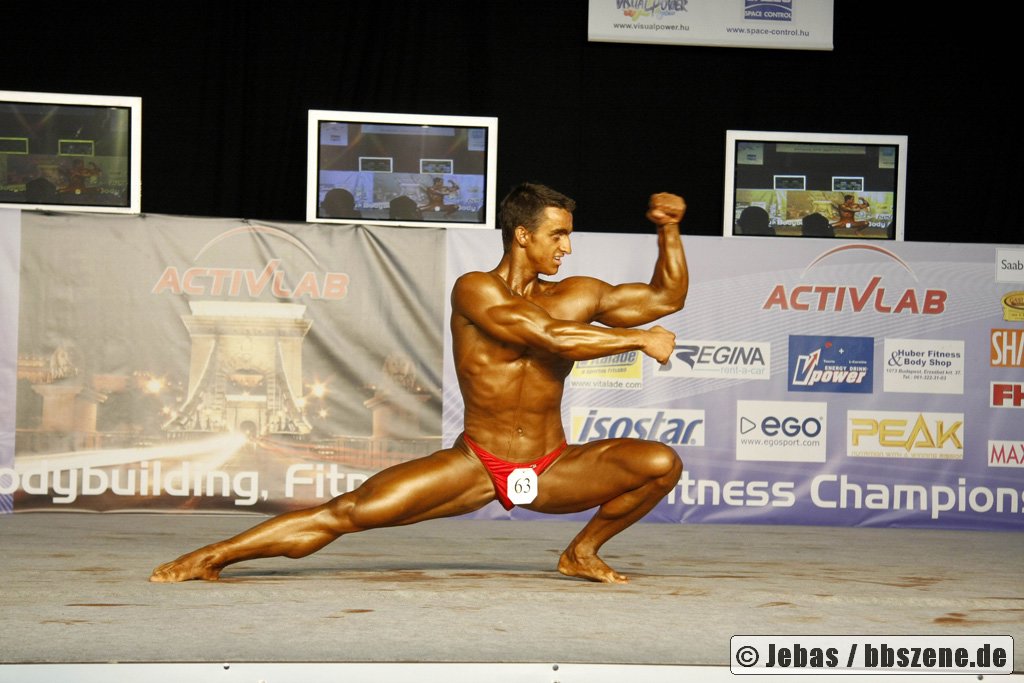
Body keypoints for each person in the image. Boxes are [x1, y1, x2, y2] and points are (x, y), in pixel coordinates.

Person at [150, 182, 688, 585]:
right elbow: (546, 335)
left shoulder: (579, 293)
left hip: (551, 466)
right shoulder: (475, 289)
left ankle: (580, 553)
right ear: (523, 235)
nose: (566, 247)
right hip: (476, 464)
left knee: (660, 463)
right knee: (350, 512)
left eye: (568, 235)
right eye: (558, 235)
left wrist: (668, 231)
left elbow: (666, 298)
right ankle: (212, 556)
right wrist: (638, 340)